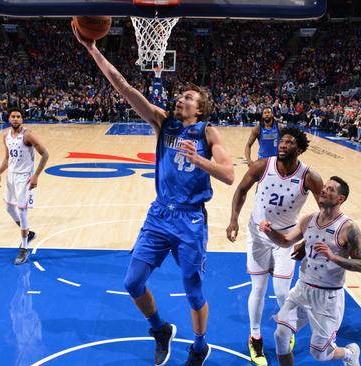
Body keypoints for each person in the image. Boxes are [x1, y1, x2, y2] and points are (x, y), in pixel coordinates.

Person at [74, 23, 235, 366]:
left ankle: (199, 345)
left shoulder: (209, 133)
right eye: (181, 96)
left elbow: (229, 175)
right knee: (132, 281)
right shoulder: (163, 123)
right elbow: (124, 86)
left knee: (193, 292)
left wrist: (199, 160)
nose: (181, 98)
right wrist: (93, 50)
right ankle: (160, 329)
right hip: (160, 214)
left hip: (191, 220)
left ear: (201, 109)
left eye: (188, 98)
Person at [227, 127, 323, 365]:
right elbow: (241, 190)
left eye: (289, 142)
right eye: (282, 141)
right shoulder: (262, 166)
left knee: (282, 292)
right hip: (258, 235)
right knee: (258, 288)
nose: (282, 144)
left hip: (286, 238)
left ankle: (286, 329)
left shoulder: (310, 177)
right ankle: (255, 337)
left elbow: (326, 213)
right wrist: (233, 219)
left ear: (299, 150)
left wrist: (307, 240)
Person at [260, 176, 361, 366]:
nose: (324, 190)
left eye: (331, 189)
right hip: (302, 289)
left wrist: (334, 257)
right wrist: (270, 232)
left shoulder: (348, 228)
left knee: (319, 354)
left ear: (340, 199)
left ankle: (349, 354)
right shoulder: (309, 219)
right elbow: (285, 241)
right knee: (280, 335)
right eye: (324, 187)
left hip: (328, 297)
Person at [0, 107, 49, 265]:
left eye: (18, 116)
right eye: (13, 116)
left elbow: (45, 154)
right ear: (9, 119)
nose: (16, 119)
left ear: (22, 119)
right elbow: (7, 157)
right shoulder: (6, 136)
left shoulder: (28, 135)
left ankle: (24, 247)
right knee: (9, 208)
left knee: (22, 211)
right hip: (11, 176)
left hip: (24, 178)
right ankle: (28, 233)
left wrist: (36, 175)